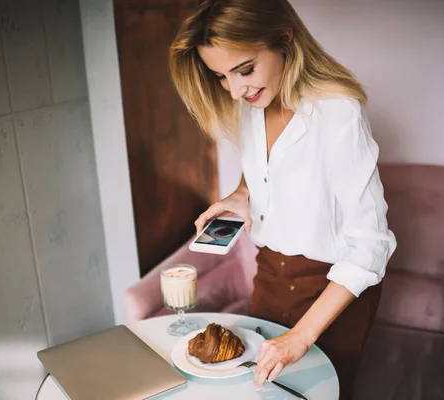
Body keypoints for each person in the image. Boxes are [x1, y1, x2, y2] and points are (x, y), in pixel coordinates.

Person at [169, 1, 396, 398]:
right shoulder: (250, 104)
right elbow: (262, 168)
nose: (236, 89)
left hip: (332, 289)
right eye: (221, 77)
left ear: (284, 40)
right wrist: (242, 196)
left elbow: (372, 245)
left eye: (244, 69)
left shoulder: (337, 111)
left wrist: (302, 337)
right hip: (270, 276)